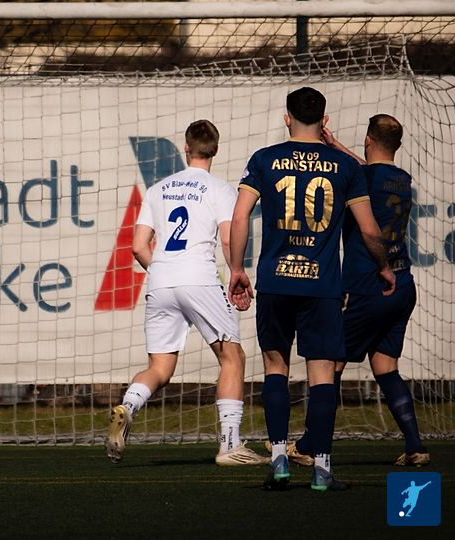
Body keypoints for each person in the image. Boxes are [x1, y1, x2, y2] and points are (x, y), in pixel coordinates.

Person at [228, 87, 396, 492]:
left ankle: (279, 461)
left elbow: (240, 216)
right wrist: (384, 267)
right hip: (321, 284)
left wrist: (236, 268)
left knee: (275, 367)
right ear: (325, 121)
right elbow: (369, 229)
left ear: (287, 118)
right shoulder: (345, 165)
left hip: (275, 280)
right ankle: (321, 468)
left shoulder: (264, 159)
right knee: (321, 374)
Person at [106, 120, 267, 467]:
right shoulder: (221, 189)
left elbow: (137, 246)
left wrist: (165, 270)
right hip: (200, 279)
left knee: (160, 368)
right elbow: (228, 239)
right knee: (232, 358)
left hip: (161, 279)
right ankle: (229, 446)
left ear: (186, 148)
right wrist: (236, 273)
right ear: (216, 150)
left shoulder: (157, 189)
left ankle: (128, 406)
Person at [288, 115, 428, 467]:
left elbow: (358, 174)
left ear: (367, 140)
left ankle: (309, 446)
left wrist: (327, 148)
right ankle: (415, 446)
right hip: (403, 286)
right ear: (396, 145)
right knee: (385, 367)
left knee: (330, 363)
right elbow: (367, 170)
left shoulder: (362, 177)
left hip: (369, 285)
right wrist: (335, 145)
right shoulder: (401, 179)